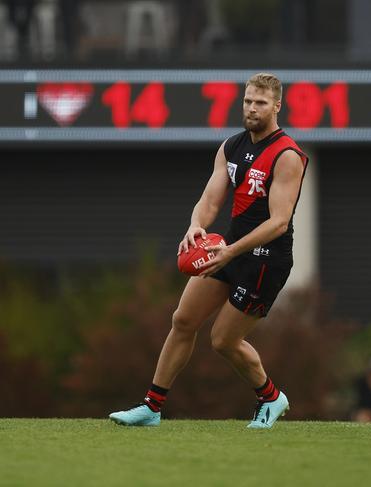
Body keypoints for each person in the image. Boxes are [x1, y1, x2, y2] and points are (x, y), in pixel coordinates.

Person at [109, 73, 308, 429]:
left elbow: (278, 223)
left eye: (260, 103)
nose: (252, 108)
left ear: (277, 106)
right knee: (183, 320)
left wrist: (231, 252)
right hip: (229, 249)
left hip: (266, 260)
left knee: (223, 340)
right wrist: (195, 226)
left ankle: (272, 397)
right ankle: (151, 408)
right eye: (247, 101)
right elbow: (210, 198)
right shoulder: (231, 146)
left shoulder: (287, 155)